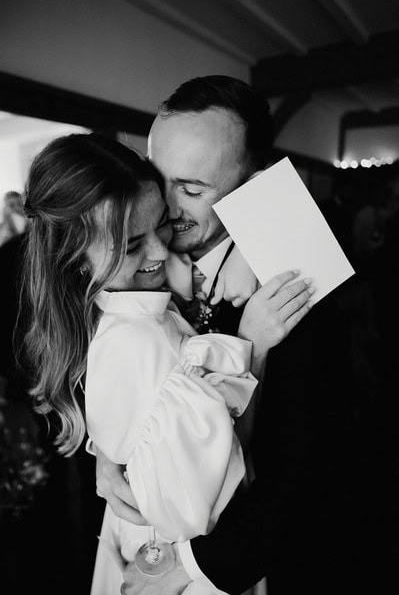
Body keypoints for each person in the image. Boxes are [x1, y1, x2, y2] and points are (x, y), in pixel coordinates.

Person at [96, 75, 397, 595]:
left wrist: (193, 567)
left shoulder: (297, 287)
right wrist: (108, 449)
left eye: (192, 188)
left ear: (254, 186)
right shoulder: (134, 257)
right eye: (156, 177)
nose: (164, 207)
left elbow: (305, 470)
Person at [20, 132, 313, 595]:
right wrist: (249, 347)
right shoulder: (125, 331)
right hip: (175, 547)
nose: (161, 248)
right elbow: (197, 480)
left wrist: (247, 243)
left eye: (190, 193)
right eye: (133, 245)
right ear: (74, 258)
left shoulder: (128, 284)